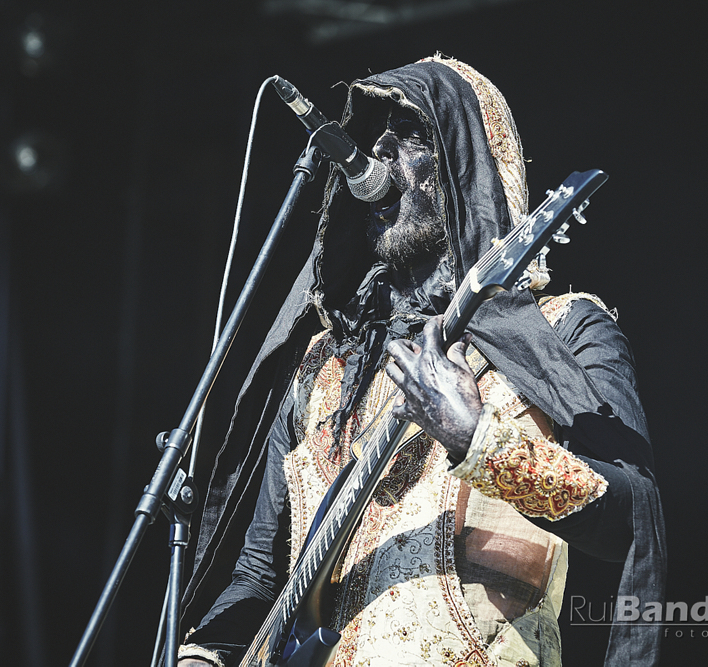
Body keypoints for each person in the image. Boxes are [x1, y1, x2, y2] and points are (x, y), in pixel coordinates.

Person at [177, 54, 665, 666]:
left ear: (465, 169)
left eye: (409, 134)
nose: (378, 151)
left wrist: (477, 438)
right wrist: (203, 655)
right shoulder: (324, 367)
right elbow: (260, 571)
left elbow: (633, 518)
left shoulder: (565, 330)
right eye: (374, 134)